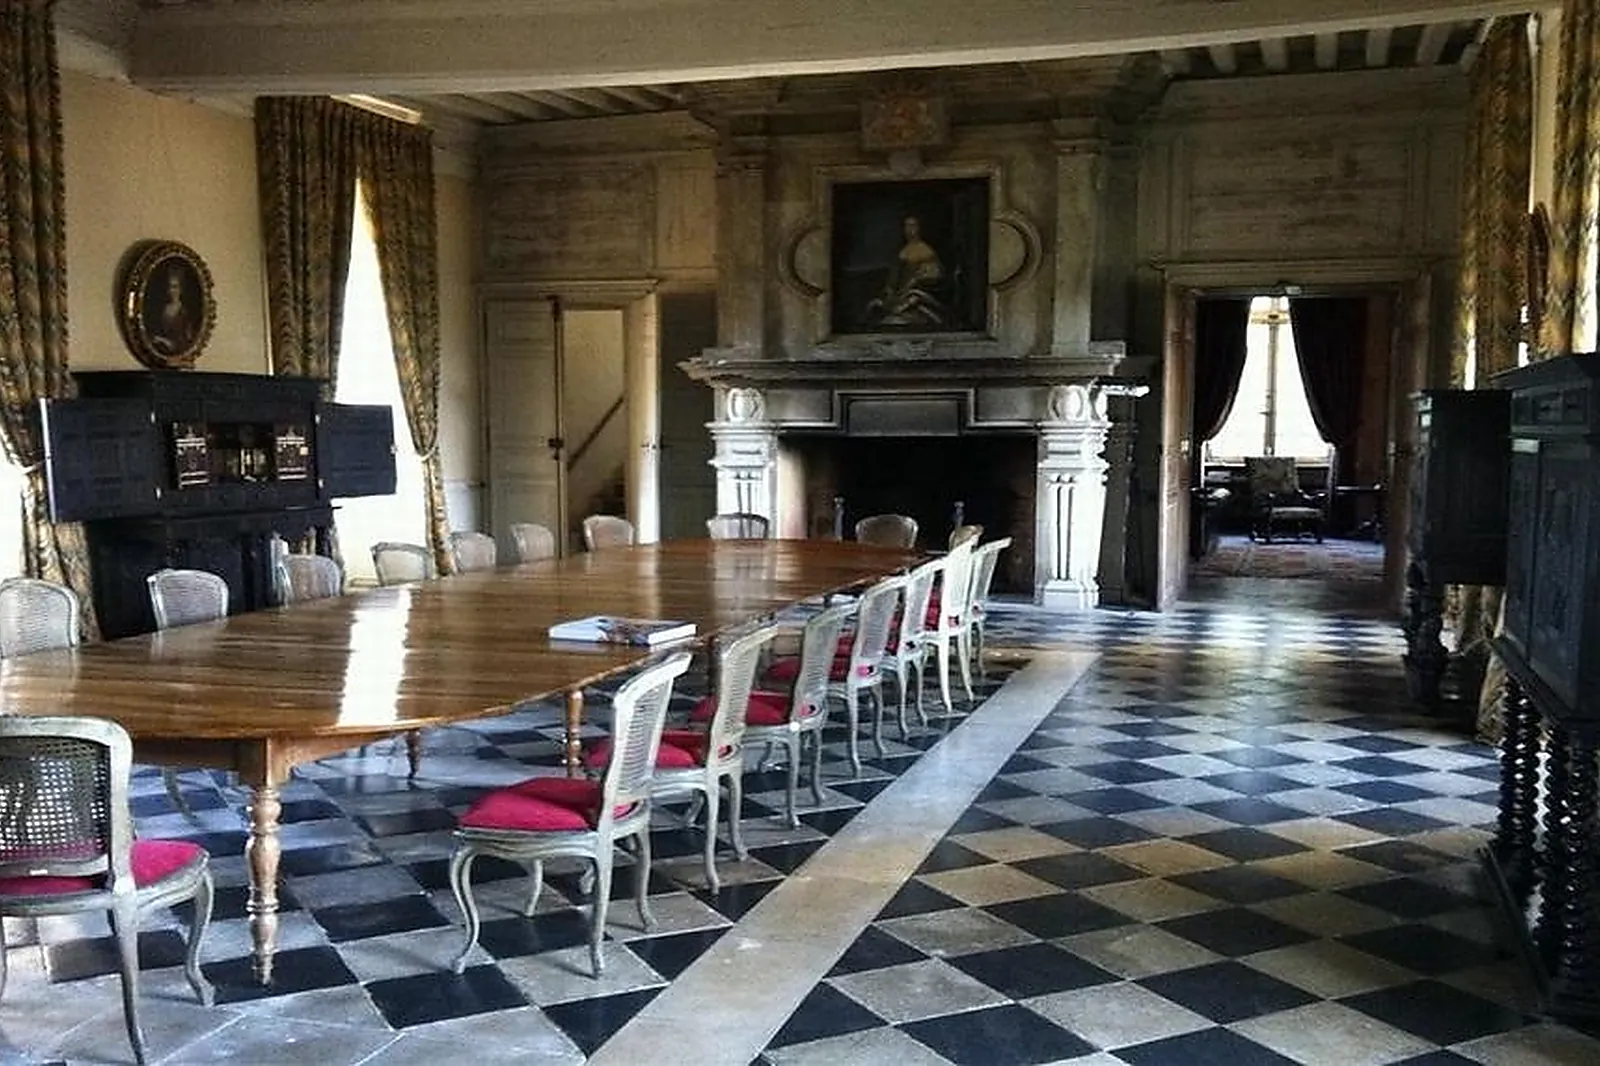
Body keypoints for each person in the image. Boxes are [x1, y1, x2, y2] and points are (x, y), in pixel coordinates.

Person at [865, 214, 946, 328]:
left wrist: (915, 282)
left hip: (916, 296)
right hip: (900, 293)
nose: (909, 230)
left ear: (919, 228)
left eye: (913, 226)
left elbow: (933, 275)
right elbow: (894, 277)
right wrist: (890, 289)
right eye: (907, 226)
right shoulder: (904, 250)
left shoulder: (926, 251)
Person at [149, 265, 196, 356]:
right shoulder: (163, 309)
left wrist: (167, 342)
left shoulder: (184, 312)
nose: (172, 291)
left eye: (175, 287)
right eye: (170, 287)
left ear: (180, 289)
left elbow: (186, 342)